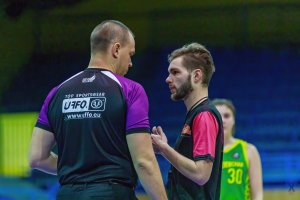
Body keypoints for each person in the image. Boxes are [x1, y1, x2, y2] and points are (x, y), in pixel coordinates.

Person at [28, 20, 167, 200]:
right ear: (116, 49)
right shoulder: (131, 90)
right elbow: (144, 162)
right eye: (130, 54)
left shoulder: (57, 92)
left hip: (67, 194)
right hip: (111, 193)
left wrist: (77, 169)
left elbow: (36, 158)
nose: (131, 63)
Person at [151, 42, 224, 200]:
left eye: (175, 72)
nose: (167, 79)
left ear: (196, 75)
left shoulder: (204, 115)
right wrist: (165, 149)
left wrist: (164, 148)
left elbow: (200, 174)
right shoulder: (196, 114)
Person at [212, 98, 263, 200]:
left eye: (226, 116)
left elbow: (257, 194)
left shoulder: (248, 150)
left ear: (233, 120)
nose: (222, 120)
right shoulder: (200, 152)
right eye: (217, 116)